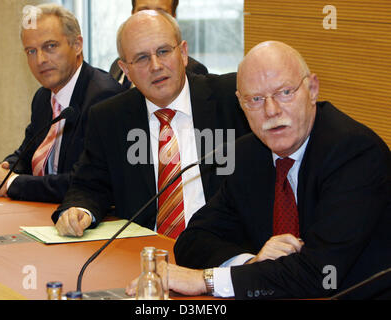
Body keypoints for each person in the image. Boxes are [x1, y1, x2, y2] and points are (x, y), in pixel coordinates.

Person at [126, 41, 391, 299]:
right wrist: (252, 262)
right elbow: (194, 240)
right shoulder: (248, 154)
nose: (272, 110)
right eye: (256, 99)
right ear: (240, 104)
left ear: (312, 89)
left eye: (285, 92)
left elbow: (320, 274)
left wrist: (205, 281)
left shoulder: (354, 153)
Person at [52, 10, 250, 238]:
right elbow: (89, 185)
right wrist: (79, 209)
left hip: (224, 252)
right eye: (142, 58)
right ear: (126, 70)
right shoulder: (110, 118)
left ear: (183, 53)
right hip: (145, 254)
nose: (156, 65)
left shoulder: (231, 99)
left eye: (163, 51)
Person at [0, 4, 123, 203]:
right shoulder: (43, 97)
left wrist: (11, 183)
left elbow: (83, 182)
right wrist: (1, 172)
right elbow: (27, 154)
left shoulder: (103, 97)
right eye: (31, 51)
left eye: (50, 46)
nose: (40, 60)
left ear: (77, 44)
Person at [109, 0, 208, 90]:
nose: (150, 19)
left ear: (173, 17)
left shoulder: (193, 69)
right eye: (143, 12)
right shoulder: (117, 67)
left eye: (160, 13)